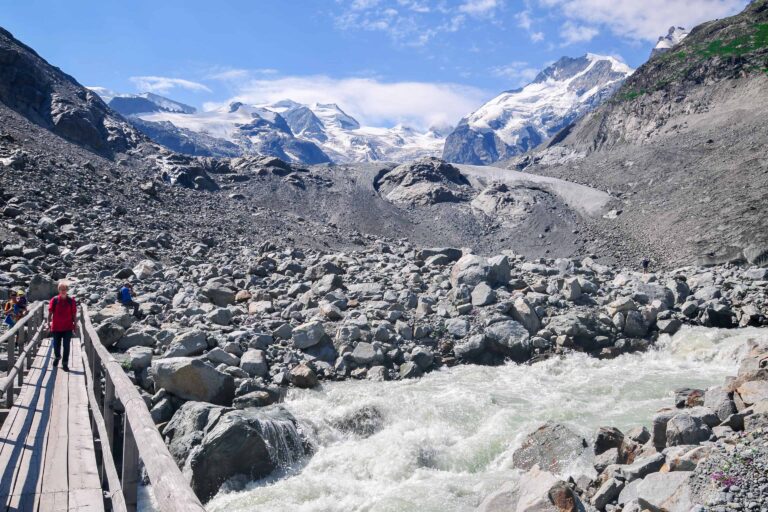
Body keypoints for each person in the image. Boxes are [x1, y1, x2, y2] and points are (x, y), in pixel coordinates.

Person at [49, 281, 77, 371]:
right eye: (61, 289)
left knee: (66, 346)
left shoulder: (71, 301)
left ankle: (65, 363)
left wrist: (75, 325)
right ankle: (57, 357)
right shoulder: (54, 300)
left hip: (67, 327)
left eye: (64, 289)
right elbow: (50, 313)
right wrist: (48, 323)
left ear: (67, 290)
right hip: (56, 327)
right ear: (58, 290)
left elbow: (74, 314)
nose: (63, 291)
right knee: (56, 345)